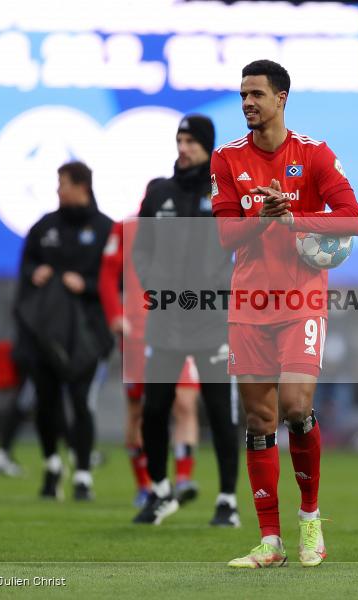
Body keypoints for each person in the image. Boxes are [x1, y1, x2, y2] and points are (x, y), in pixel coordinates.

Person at [211, 60, 358, 568]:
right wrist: (262, 217)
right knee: (260, 418)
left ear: (281, 98)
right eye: (242, 95)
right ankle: (270, 541)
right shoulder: (226, 158)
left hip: (301, 301)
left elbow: (354, 220)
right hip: (249, 303)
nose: (247, 103)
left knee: (296, 407)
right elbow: (225, 235)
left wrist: (294, 217)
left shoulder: (315, 154)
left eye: (256, 94)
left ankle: (310, 517)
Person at [132, 115, 241, 527]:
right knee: (154, 409)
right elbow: (141, 247)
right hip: (166, 320)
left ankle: (227, 500)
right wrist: (152, 282)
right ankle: (160, 492)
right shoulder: (158, 192)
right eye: (180, 139)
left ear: (207, 146)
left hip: (212, 320)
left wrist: (223, 285)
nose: (183, 147)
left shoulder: (225, 192)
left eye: (192, 141)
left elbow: (246, 246)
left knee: (220, 412)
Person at [98, 183, 203, 510]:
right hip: (138, 332)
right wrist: (115, 315)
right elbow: (107, 275)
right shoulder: (126, 229)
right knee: (139, 410)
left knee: (185, 402)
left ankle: (183, 478)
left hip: (181, 329)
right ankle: (144, 485)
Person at [15, 161, 113, 501]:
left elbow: (118, 279)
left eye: (63, 183)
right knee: (46, 401)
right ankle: (52, 465)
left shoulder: (105, 229)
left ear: (81, 186)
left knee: (81, 401)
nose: (58, 190)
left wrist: (87, 284)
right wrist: (34, 273)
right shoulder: (45, 227)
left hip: (88, 332)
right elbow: (25, 265)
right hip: (46, 332)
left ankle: (83, 474)